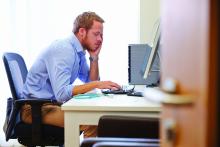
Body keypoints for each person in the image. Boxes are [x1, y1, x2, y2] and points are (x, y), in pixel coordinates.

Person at [21, 11, 121, 137]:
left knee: (97, 116)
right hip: (34, 109)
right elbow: (62, 93)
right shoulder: (64, 49)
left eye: (101, 35)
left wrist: (94, 57)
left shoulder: (77, 52)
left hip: (51, 105)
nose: (100, 39)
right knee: (92, 121)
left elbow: (90, 82)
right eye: (96, 34)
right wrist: (98, 84)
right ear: (82, 32)